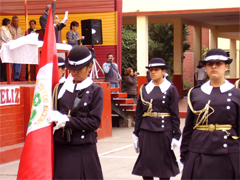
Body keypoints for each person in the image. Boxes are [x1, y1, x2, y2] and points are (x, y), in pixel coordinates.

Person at [180, 48, 240, 180]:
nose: (214, 66)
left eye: (218, 63)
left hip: (229, 152)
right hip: (199, 151)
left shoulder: (237, 94)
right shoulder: (195, 93)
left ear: (226, 66)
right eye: (210, 64)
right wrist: (184, 155)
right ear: (205, 68)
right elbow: (189, 127)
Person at [48, 45, 103, 179]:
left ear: (89, 67)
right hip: (62, 147)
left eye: (79, 69)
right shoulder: (59, 89)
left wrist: (67, 121)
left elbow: (93, 122)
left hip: (84, 148)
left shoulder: (95, 90)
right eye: (72, 69)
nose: (74, 73)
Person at [132, 58, 181, 180]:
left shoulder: (170, 89)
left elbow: (175, 114)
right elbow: (139, 113)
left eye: (156, 70)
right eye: (151, 70)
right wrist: (136, 133)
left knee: (163, 166)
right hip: (146, 130)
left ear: (163, 71)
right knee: (146, 165)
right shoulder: (144, 89)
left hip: (164, 130)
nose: (152, 72)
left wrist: (176, 135)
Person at [8, 15, 23, 81]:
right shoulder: (9, 28)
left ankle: (16, 77)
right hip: (11, 48)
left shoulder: (20, 29)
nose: (16, 22)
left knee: (18, 62)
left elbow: (22, 37)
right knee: (10, 63)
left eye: (17, 21)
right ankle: (9, 77)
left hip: (18, 48)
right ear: (12, 21)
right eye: (14, 21)